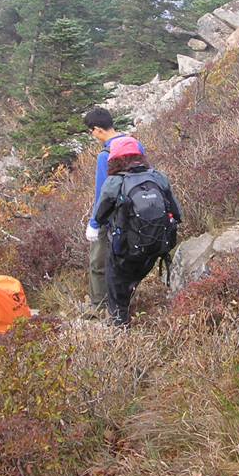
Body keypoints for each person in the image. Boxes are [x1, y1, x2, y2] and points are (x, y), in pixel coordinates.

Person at [92, 136, 181, 328]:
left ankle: (120, 328)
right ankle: (132, 300)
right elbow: (177, 212)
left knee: (116, 283)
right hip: (157, 246)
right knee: (132, 277)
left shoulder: (115, 181)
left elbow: (100, 216)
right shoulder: (157, 177)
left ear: (114, 159)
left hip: (126, 249)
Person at [81, 108, 144, 319]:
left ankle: (99, 307)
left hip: (111, 220)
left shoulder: (105, 155)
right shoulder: (135, 144)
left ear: (97, 130)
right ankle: (124, 301)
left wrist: (94, 223)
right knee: (124, 262)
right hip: (135, 217)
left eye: (92, 132)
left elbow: (102, 193)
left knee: (98, 263)